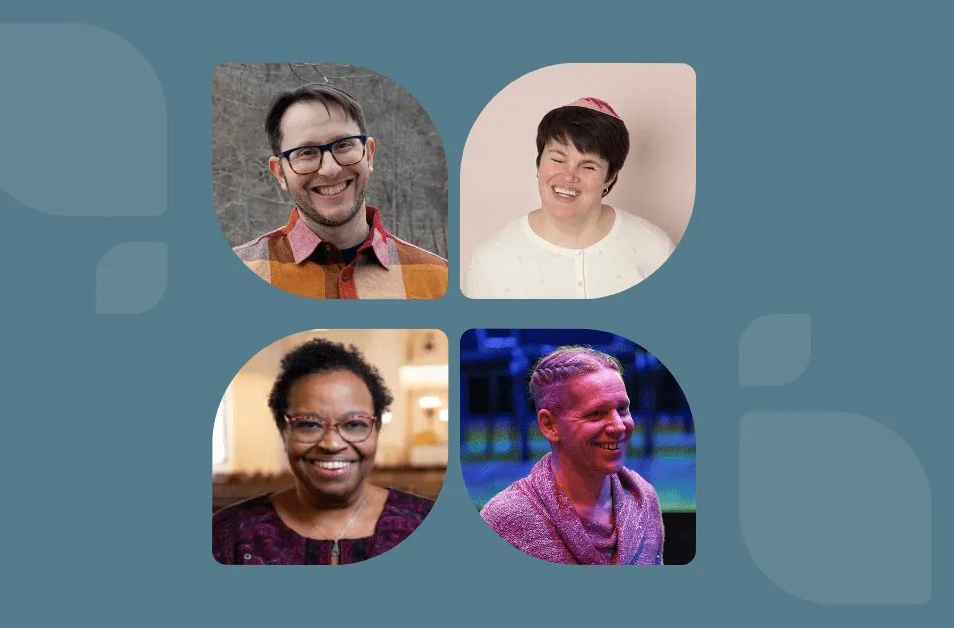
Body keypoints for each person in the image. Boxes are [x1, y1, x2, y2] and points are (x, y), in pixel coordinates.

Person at [212, 339, 434, 565]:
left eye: (354, 424)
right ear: (283, 430)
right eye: (309, 424)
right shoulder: (228, 536)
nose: (332, 444)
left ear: (376, 430)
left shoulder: (427, 523)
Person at [234, 84, 448, 299]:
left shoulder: (439, 280)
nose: (330, 169)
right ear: (280, 172)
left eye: (343, 145)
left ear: (369, 155)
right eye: (306, 152)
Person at [463, 97, 674, 299]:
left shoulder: (655, 249)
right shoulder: (490, 259)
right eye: (557, 159)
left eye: (588, 166)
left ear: (609, 177)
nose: (568, 176)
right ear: (539, 163)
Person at [480, 346, 664, 565]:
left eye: (622, 409)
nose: (618, 426)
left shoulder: (643, 498)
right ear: (550, 425)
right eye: (596, 413)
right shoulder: (507, 519)